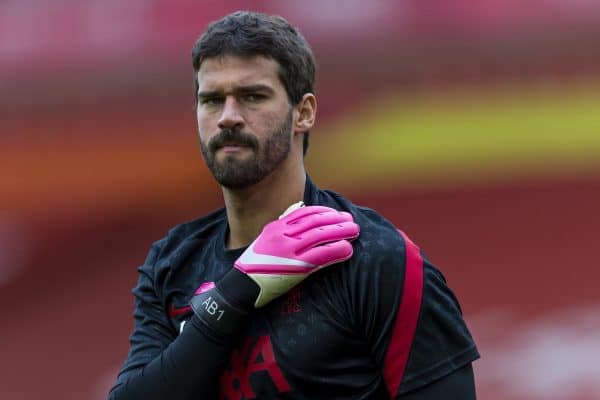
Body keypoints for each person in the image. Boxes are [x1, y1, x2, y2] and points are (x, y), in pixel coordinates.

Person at [108, 11, 479, 400]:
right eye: (212, 100)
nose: (228, 117)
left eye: (253, 96)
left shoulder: (375, 259)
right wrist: (235, 292)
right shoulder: (171, 263)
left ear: (303, 112)